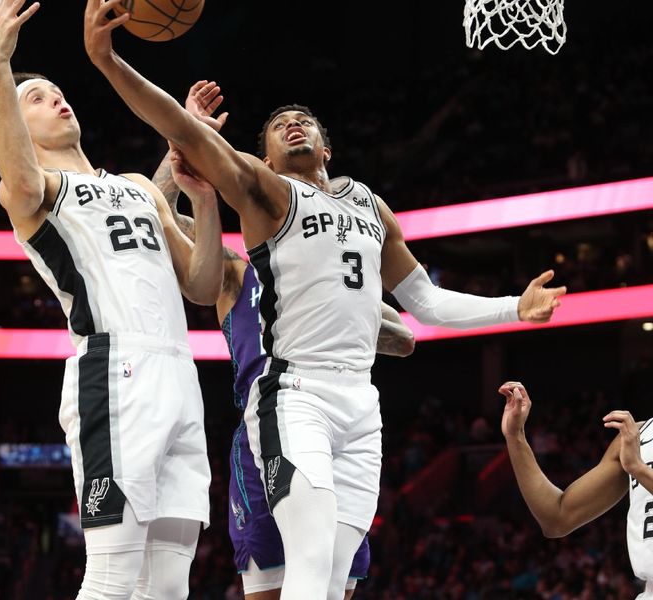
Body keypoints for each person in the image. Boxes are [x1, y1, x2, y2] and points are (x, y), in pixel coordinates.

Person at [83, 4, 566, 596]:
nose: (294, 124)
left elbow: (429, 305)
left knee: (335, 580)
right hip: (293, 394)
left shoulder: (370, 207)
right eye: (280, 123)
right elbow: (184, 133)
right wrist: (107, 61)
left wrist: (515, 307)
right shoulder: (266, 193)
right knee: (308, 563)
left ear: (327, 148)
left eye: (305, 120)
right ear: (260, 158)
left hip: (361, 404)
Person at [0, 2, 224, 598]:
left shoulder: (139, 187)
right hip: (115, 373)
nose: (56, 100)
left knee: (169, 585)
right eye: (35, 100)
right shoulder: (39, 192)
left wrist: (205, 189)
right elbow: (16, 179)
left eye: (57, 91)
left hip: (179, 371)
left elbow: (199, 285)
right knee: (114, 574)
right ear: (15, 124)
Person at [152, 82, 415, 599]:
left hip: (328, 419)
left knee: (332, 585)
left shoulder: (331, 263)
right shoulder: (233, 268)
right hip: (262, 432)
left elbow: (405, 339)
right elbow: (154, 212)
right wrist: (181, 140)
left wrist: (351, 321)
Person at [499, 381, 653, 599]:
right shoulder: (637, 434)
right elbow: (557, 517)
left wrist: (638, 468)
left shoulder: (634, 456)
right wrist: (515, 436)